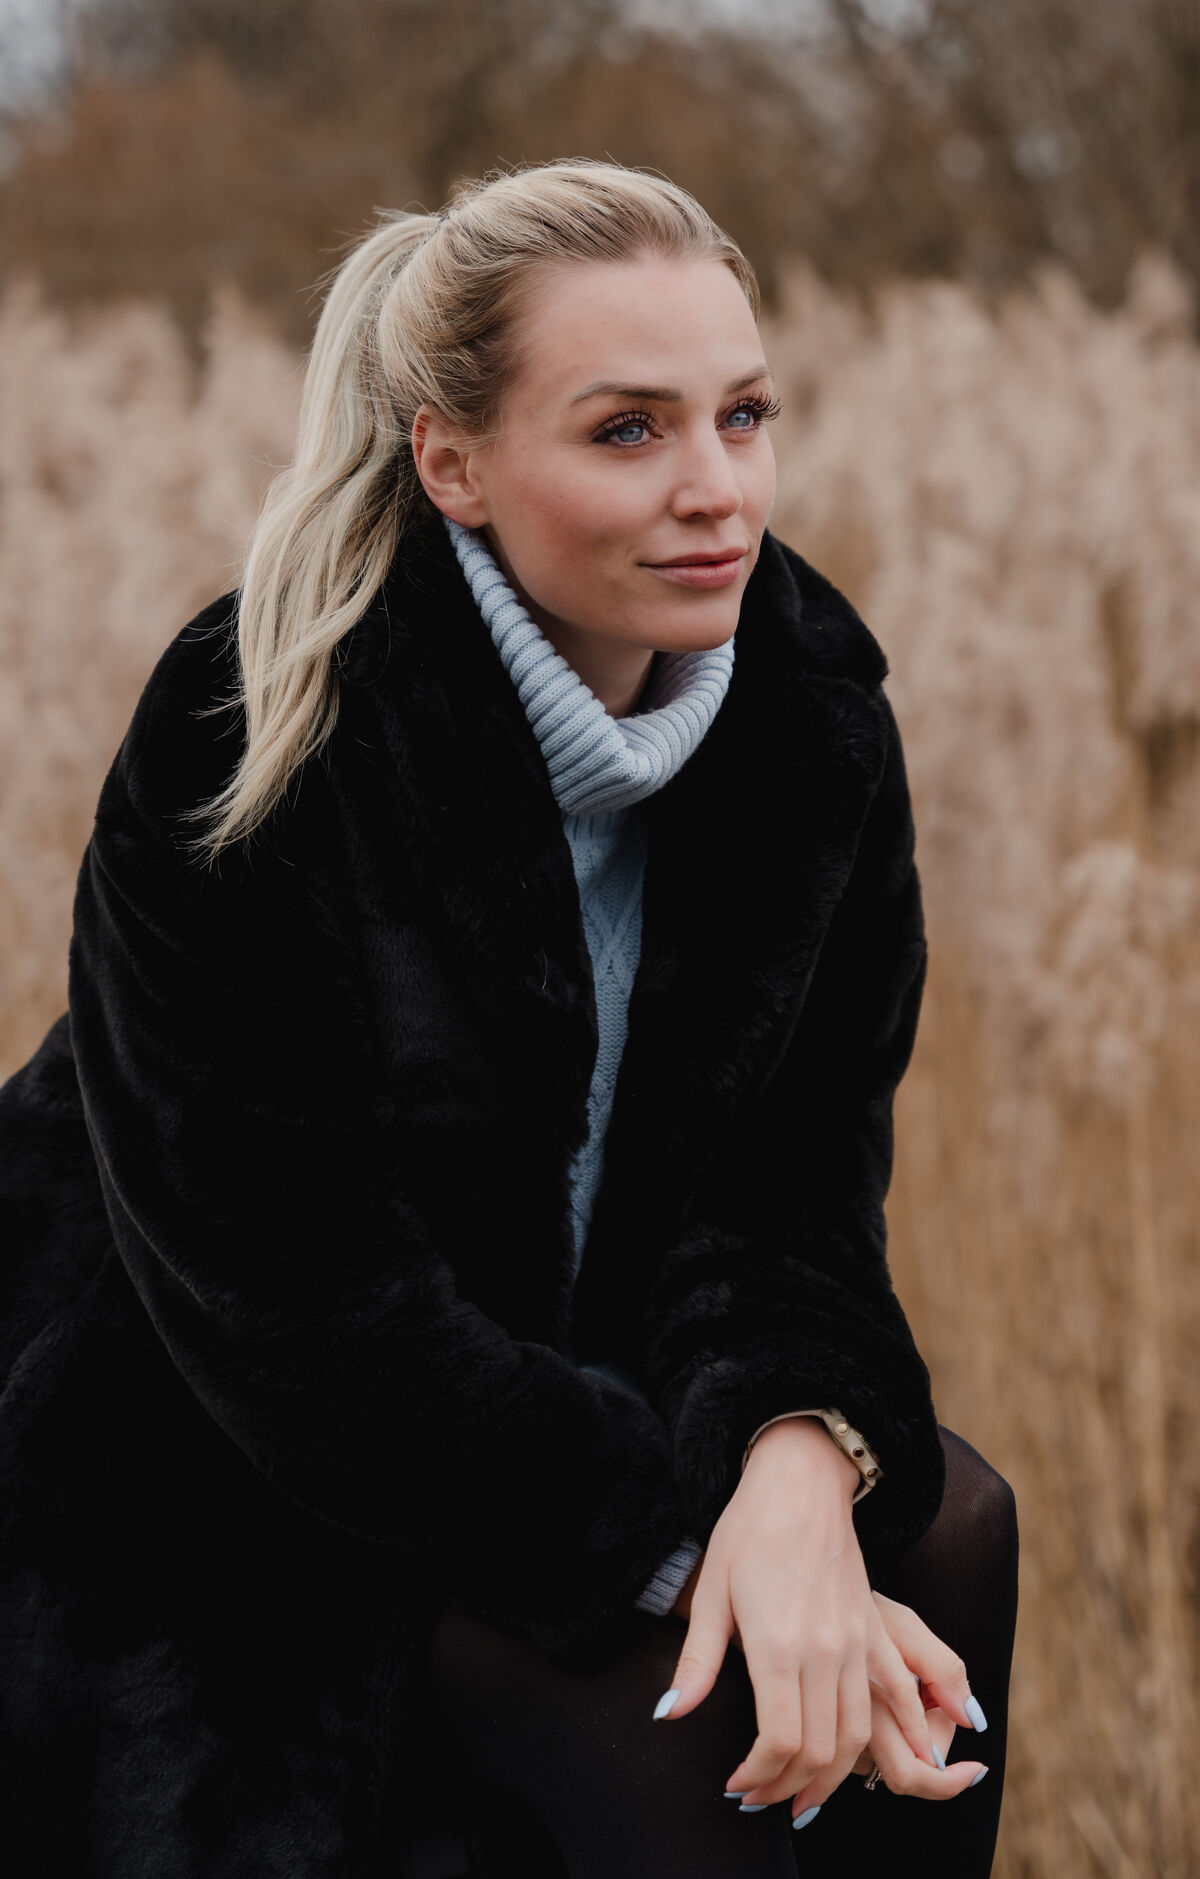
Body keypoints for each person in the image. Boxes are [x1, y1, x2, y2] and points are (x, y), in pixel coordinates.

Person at [0, 159, 1017, 1877]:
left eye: (745, 415)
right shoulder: (258, 726)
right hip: (218, 1444)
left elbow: (793, 1203)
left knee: (953, 1531)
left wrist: (798, 1468)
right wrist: (687, 1549)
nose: (716, 490)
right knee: (686, 1725)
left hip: (560, 1382)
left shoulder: (813, 729)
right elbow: (301, 1313)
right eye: (628, 431)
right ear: (451, 463)